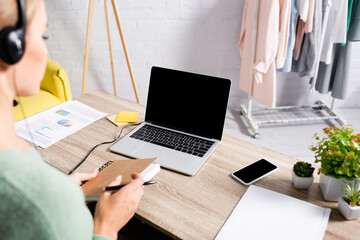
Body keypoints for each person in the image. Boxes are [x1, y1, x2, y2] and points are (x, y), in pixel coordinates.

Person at [0, 0, 144, 239]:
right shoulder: (48, 207)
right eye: (43, 36)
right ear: (11, 47)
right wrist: (106, 227)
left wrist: (62, 188)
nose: (47, 53)